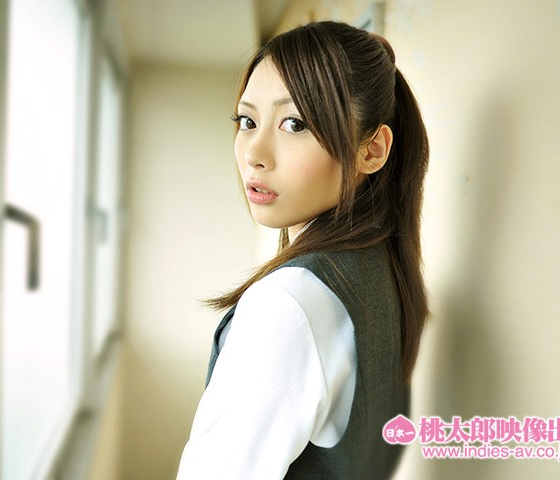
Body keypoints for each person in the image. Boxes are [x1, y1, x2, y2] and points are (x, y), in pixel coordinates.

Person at [177, 20, 429, 479]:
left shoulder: (289, 304)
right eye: (247, 121)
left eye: (294, 124)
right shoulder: (380, 268)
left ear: (371, 150)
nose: (254, 153)